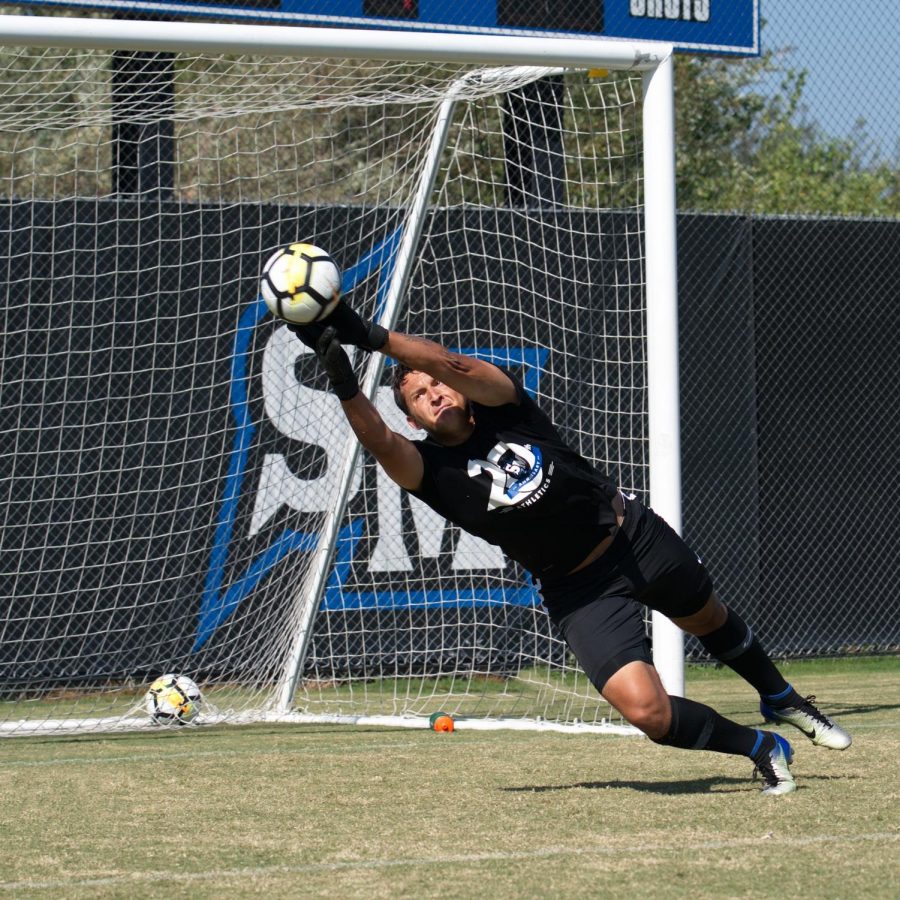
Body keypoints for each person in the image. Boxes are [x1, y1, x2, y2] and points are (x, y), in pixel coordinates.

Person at [286, 302, 851, 795]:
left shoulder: (507, 406)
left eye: (436, 385)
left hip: (633, 536)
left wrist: (369, 335)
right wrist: (344, 382)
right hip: (578, 588)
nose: (435, 394)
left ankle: (779, 695)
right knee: (647, 713)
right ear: (412, 417)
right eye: (419, 398)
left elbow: (453, 364)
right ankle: (761, 747)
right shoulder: (428, 470)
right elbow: (378, 441)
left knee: (709, 618)